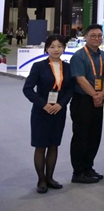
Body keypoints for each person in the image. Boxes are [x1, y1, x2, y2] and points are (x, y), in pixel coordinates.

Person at [22, 35, 74, 193]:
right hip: (41, 111)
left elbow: (70, 89)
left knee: (53, 145)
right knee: (40, 146)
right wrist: (43, 104)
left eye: (59, 46)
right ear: (46, 49)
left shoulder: (68, 67)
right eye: (52, 47)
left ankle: (50, 177)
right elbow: (27, 89)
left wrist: (61, 104)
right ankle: (41, 180)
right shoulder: (39, 66)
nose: (56, 49)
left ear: (64, 48)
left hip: (58, 111)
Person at [69, 23, 104, 184]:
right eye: (93, 36)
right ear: (86, 37)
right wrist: (95, 95)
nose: (96, 38)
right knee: (81, 136)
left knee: (94, 135)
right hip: (83, 100)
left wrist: (103, 93)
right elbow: (80, 79)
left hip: (98, 98)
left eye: (99, 36)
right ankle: (78, 172)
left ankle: (88, 167)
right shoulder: (79, 56)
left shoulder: (103, 55)